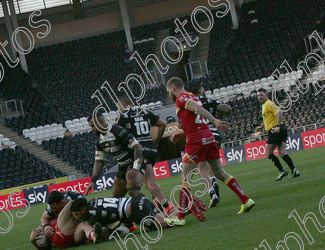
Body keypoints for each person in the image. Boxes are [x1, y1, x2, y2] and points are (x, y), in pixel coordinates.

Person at [166, 78, 255, 219]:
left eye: (168, 91)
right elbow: (195, 120)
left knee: (185, 178)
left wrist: (214, 120)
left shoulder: (182, 98)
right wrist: (181, 132)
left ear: (173, 89)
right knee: (219, 172)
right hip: (208, 137)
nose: (169, 94)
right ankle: (246, 200)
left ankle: (180, 217)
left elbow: (198, 109)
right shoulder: (193, 96)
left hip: (196, 140)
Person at [115, 96, 174, 215]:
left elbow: (118, 134)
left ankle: (168, 206)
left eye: (118, 107)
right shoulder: (145, 112)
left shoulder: (124, 116)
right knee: (146, 181)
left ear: (124, 105)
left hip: (138, 150)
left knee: (148, 181)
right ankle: (158, 202)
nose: (119, 110)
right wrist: (156, 141)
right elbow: (162, 124)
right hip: (151, 148)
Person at [84, 108, 148, 203]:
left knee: (133, 190)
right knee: (116, 198)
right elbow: (99, 162)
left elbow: (137, 147)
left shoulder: (117, 131)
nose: (92, 129)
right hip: (123, 165)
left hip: (134, 162)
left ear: (101, 122)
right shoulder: (100, 140)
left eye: (93, 126)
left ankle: (153, 212)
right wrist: (93, 181)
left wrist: (135, 168)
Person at [256, 88, 299, 180]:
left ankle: (282, 170)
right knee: (282, 152)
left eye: (261, 95)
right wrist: (262, 126)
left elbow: (279, 112)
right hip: (279, 129)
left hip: (275, 129)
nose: (259, 97)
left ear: (266, 94)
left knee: (268, 153)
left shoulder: (268, 103)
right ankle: (294, 170)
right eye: (258, 95)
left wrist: (278, 126)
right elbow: (269, 118)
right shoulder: (265, 105)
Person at [70, 195, 172, 233]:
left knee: (165, 224)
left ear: (83, 210)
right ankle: (177, 210)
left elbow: (113, 224)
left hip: (135, 209)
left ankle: (185, 211)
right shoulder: (92, 201)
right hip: (137, 199)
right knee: (163, 221)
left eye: (76, 214)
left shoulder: (93, 215)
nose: (77, 218)